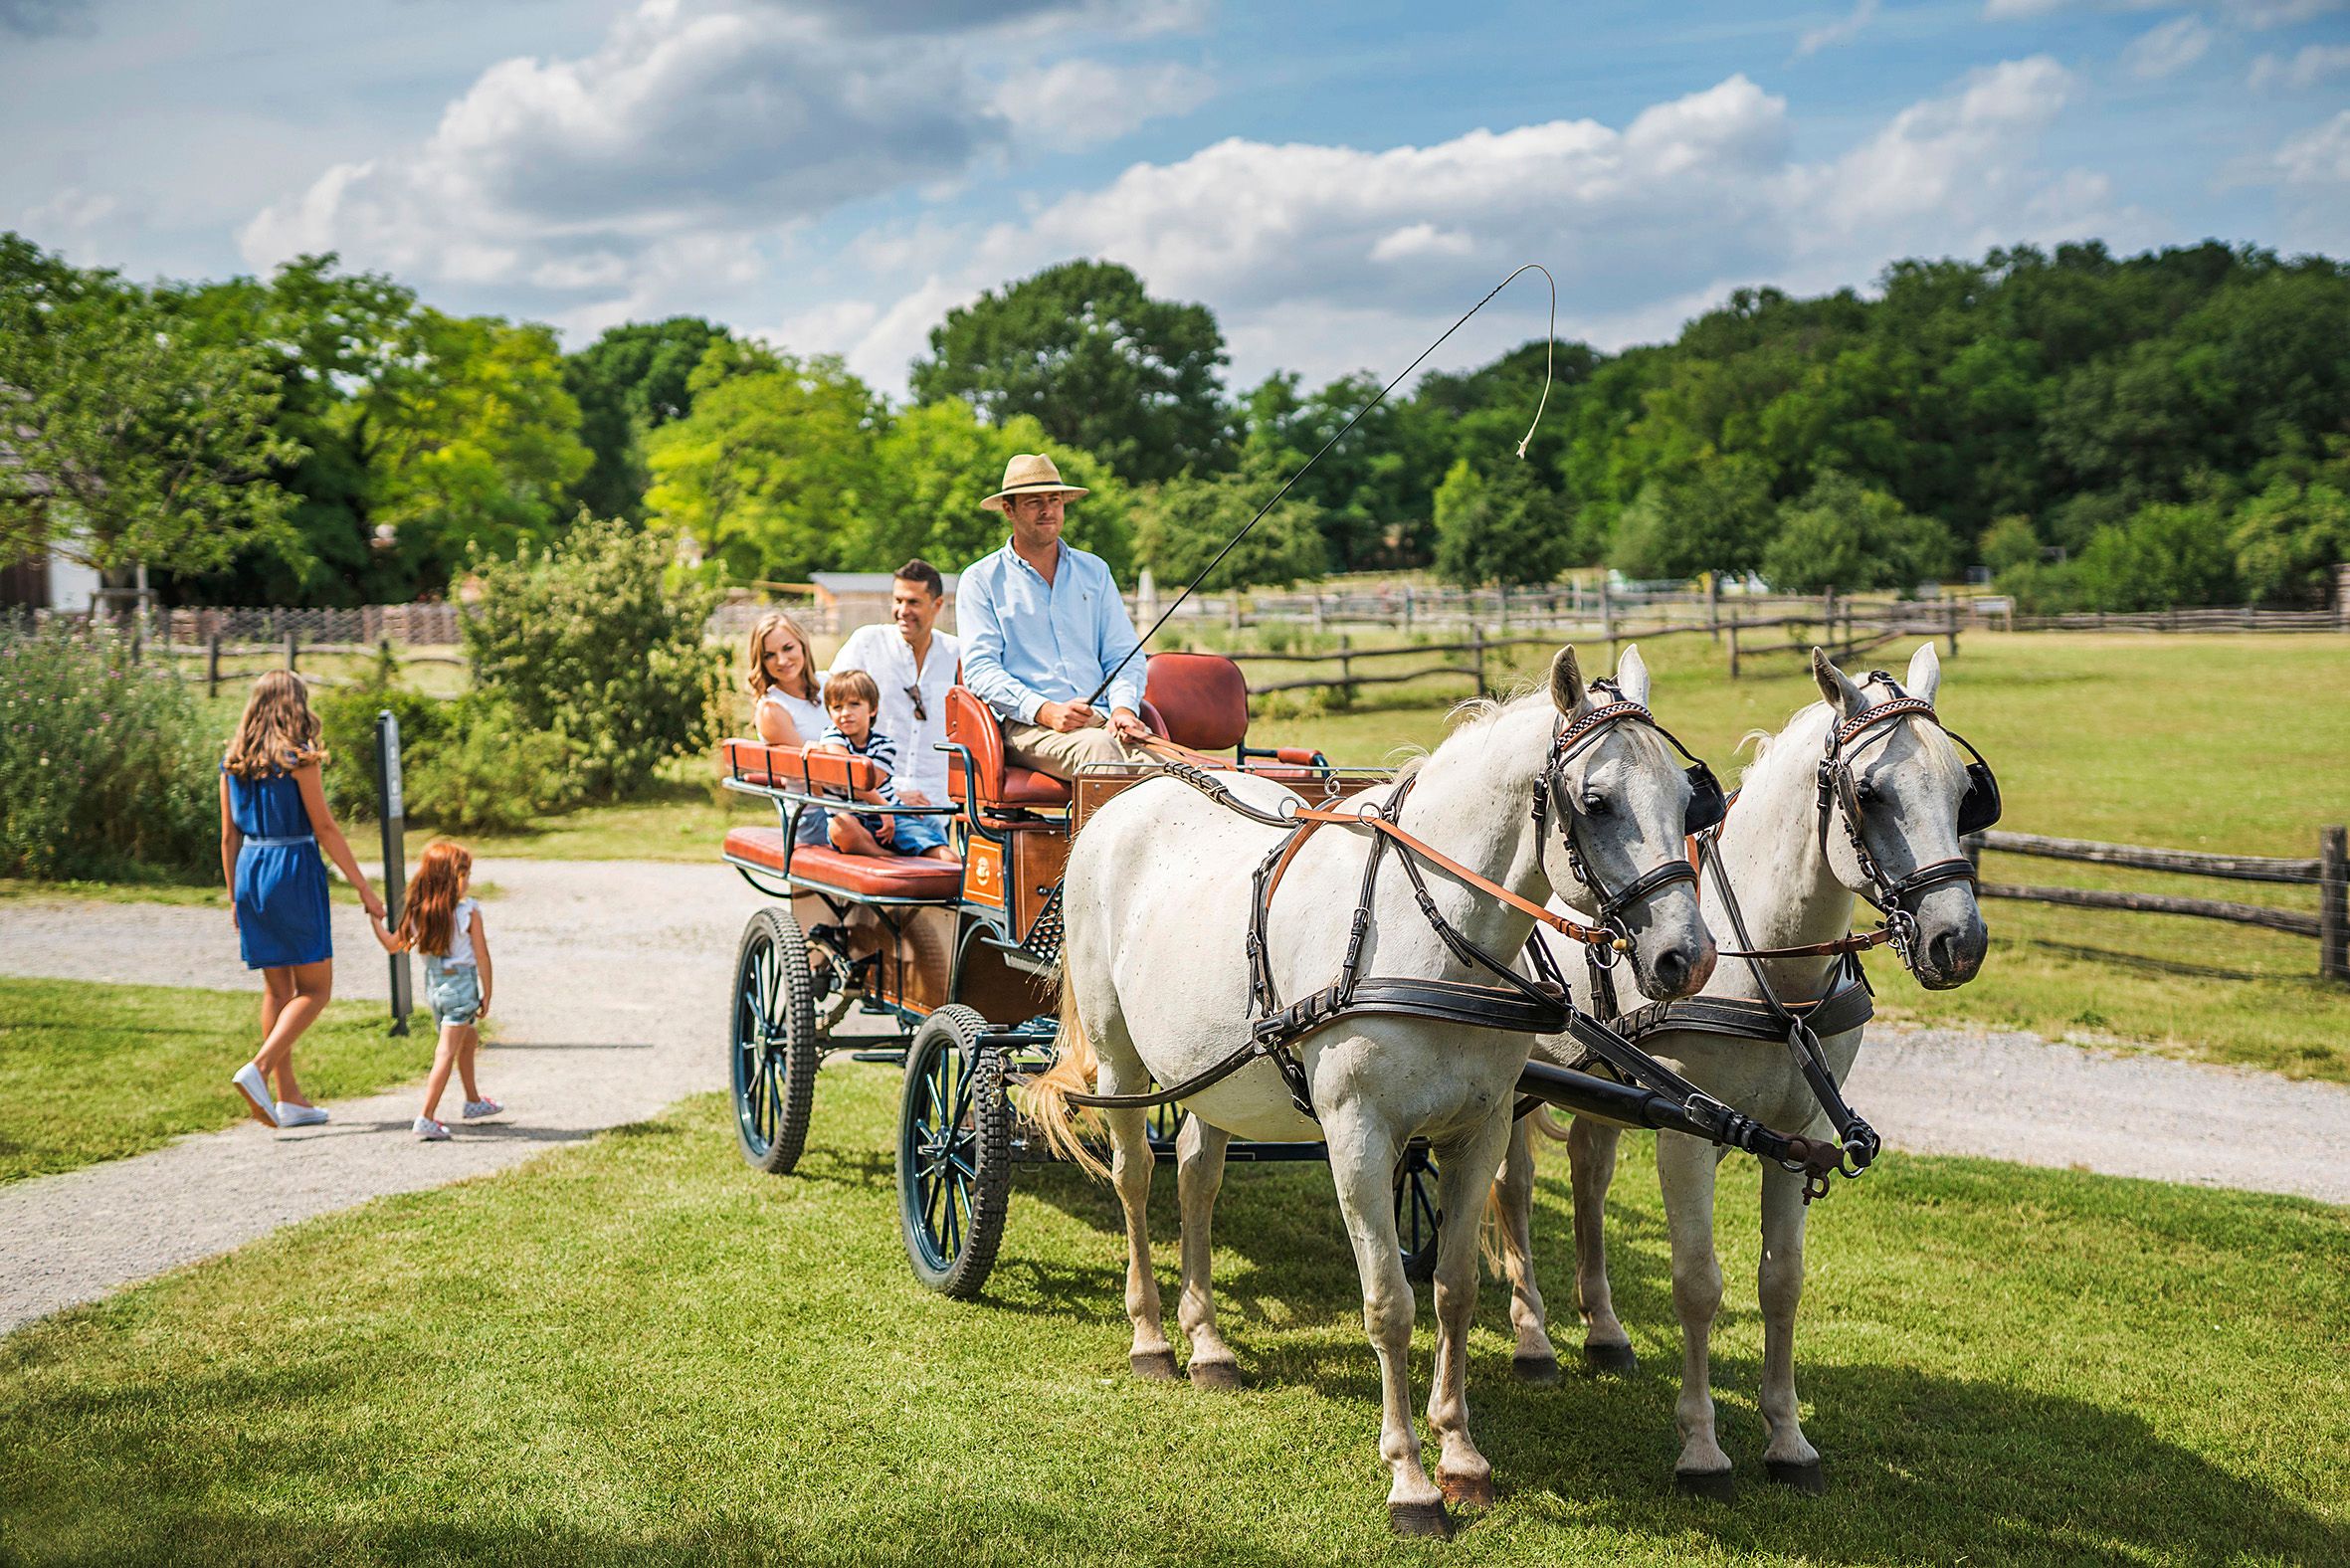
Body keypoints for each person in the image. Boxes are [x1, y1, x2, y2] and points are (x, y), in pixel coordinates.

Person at [219, 670, 387, 1130]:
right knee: (316, 989)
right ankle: (260, 1067)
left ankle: (289, 1099)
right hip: (291, 870)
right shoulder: (299, 760)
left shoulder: (233, 762)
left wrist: (235, 895)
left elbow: (228, 836)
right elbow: (326, 828)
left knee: (277, 989)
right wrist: (365, 890)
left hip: (252, 869)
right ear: (295, 706)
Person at [957, 453, 1150, 782]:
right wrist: (1045, 710)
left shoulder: (1095, 571)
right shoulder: (981, 580)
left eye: (1055, 499)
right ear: (1009, 510)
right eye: (1034, 502)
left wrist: (1122, 709)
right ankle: (1098, 836)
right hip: (1026, 726)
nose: (1048, 510)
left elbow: (1124, 656)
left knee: (1171, 768)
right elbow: (980, 671)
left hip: (1100, 718)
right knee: (1100, 754)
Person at [367, 840, 500, 1141]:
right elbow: (482, 956)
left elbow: (392, 945)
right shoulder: (468, 911)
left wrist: (374, 920)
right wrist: (487, 993)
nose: (468, 881)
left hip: (436, 989)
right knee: (446, 1052)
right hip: (461, 987)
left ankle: (473, 1101)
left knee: (469, 1037)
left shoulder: (418, 912)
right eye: (464, 874)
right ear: (449, 879)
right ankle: (426, 1116)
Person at [827, 558, 958, 810]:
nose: (903, 610)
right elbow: (831, 701)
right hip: (875, 797)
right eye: (898, 600)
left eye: (913, 602)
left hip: (937, 799)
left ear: (937, 605)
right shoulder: (867, 642)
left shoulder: (957, 653)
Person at [813, 670, 955, 862]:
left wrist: (885, 811)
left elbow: (865, 782)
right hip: (857, 819)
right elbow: (849, 773)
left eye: (854, 704)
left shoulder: (884, 745)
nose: (845, 713)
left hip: (891, 815)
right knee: (840, 827)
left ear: (872, 708)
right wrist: (882, 807)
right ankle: (889, 857)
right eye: (837, 707)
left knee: (946, 857)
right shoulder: (832, 736)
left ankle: (950, 875)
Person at [747, 610, 825, 747]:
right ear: (762, 662)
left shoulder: (829, 682)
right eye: (769, 655)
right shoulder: (771, 710)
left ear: (803, 645)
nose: (781, 661)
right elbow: (805, 766)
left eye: (788, 648)